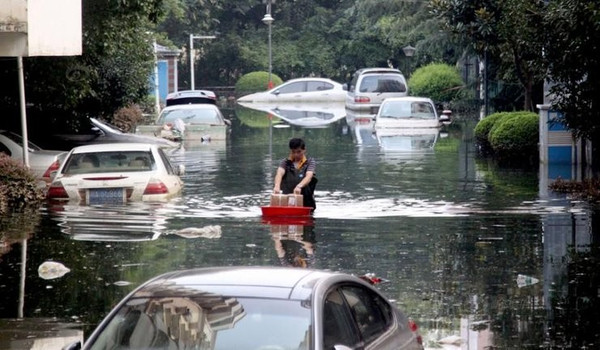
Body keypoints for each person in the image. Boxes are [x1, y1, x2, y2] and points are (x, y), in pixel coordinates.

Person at [273, 138, 317, 210]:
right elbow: (279, 173)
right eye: (293, 152)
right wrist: (277, 186)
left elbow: (309, 176)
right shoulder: (285, 162)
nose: (296, 155)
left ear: (304, 150)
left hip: (306, 203)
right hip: (287, 202)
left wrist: (299, 186)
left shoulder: (310, 162)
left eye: (299, 152)